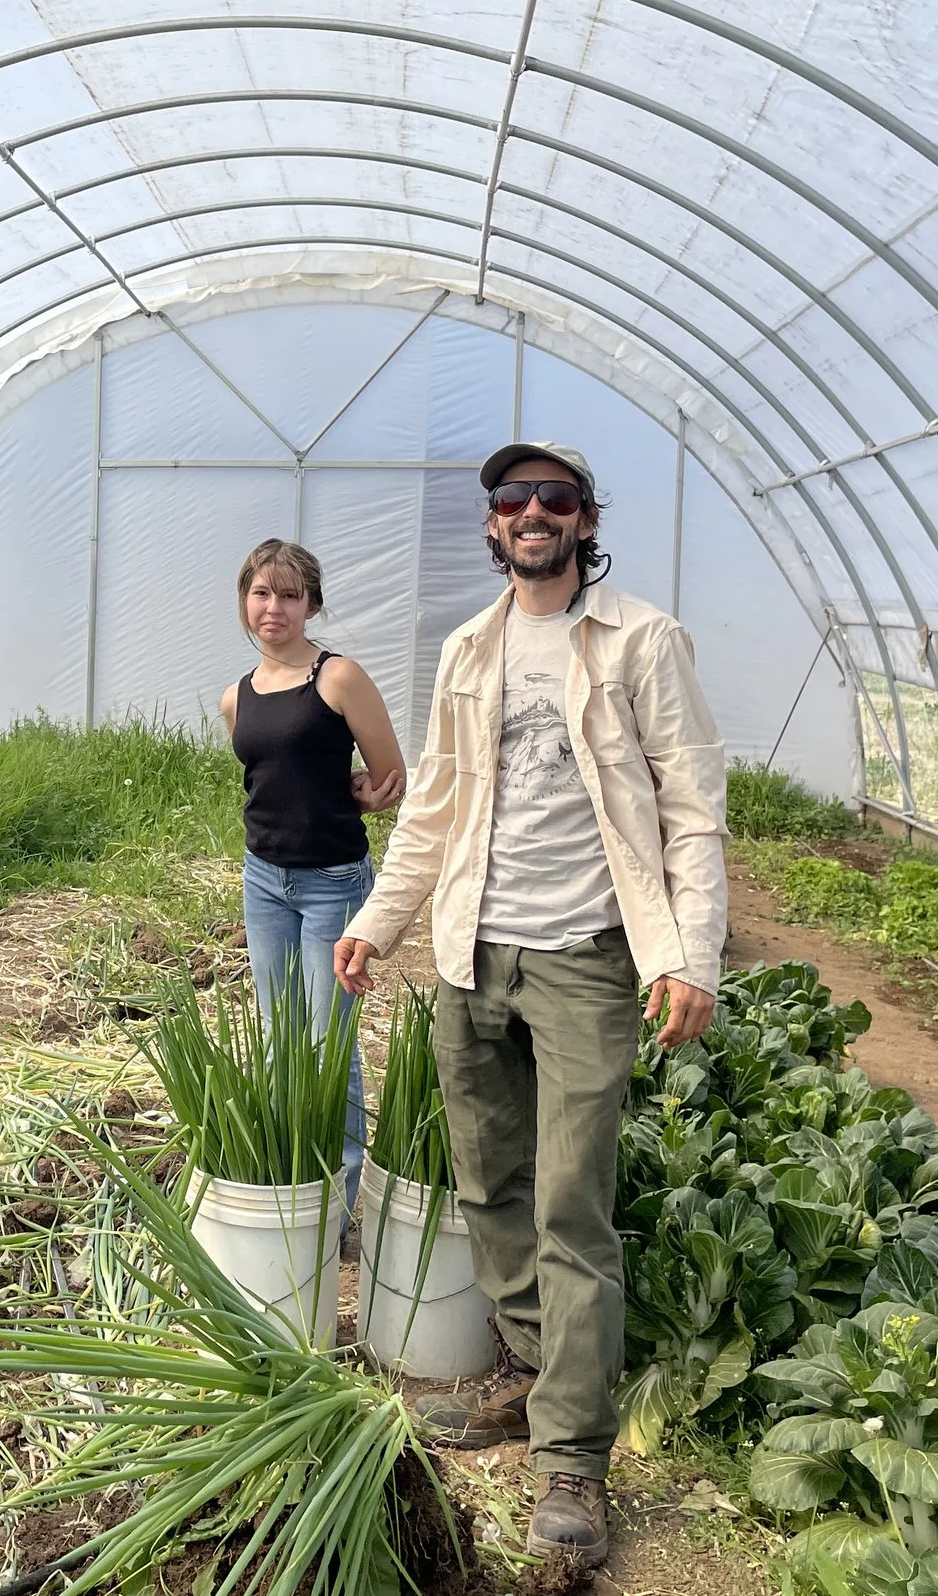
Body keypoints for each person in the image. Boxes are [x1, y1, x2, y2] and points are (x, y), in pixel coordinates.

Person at [331, 441, 725, 1569]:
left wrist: (687, 953)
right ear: (495, 525)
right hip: (471, 950)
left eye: (556, 499)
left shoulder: (641, 639)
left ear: (586, 520)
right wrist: (377, 924)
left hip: (588, 957)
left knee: (570, 1206)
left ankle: (572, 1457)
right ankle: (525, 1368)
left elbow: (691, 806)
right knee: (488, 1184)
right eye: (516, 501)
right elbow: (435, 807)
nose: (535, 514)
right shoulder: (468, 646)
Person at [217, 540, 405, 1209]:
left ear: (312, 604)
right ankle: (291, 1185)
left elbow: (390, 777)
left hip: (334, 882)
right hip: (264, 879)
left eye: (290, 594)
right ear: (246, 599)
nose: (274, 607)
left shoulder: (338, 677)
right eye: (262, 592)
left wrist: (367, 792)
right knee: (279, 1037)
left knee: (329, 1048)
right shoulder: (235, 697)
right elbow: (269, 779)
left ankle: (340, 1199)